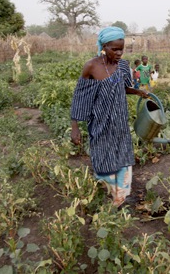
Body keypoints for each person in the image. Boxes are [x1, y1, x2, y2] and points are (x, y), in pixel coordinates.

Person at [70, 26, 149, 207]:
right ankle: (108, 194)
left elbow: (124, 88)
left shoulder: (123, 65)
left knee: (123, 158)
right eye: (115, 49)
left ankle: (120, 199)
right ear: (104, 47)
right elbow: (80, 96)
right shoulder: (91, 66)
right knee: (103, 157)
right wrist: (75, 127)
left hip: (120, 121)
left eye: (122, 49)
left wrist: (138, 92)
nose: (120, 53)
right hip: (100, 122)